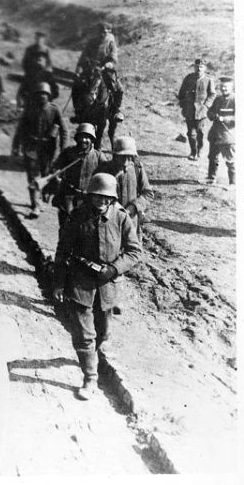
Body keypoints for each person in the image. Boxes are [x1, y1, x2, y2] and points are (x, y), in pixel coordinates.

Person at [52, 173, 142, 401]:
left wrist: (114, 269)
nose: (101, 202)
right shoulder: (78, 216)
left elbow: (134, 251)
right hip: (80, 282)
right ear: (90, 195)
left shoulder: (121, 218)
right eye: (96, 197)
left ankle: (91, 357)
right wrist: (59, 283)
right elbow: (63, 250)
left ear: (112, 199)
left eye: (106, 198)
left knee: (103, 332)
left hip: (107, 284)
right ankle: (89, 378)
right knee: (84, 334)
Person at [45, 123, 111, 239]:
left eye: (87, 137)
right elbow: (56, 167)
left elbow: (107, 176)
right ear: (77, 138)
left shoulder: (98, 156)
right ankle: (62, 255)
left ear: (92, 139)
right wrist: (57, 178)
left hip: (87, 199)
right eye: (81, 137)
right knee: (66, 227)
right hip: (68, 196)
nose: (84, 140)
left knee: (84, 230)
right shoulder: (68, 153)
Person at [12, 82, 67, 218]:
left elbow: (64, 130)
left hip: (48, 149)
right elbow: (20, 129)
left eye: (45, 94)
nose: (42, 97)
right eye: (39, 94)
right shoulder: (29, 109)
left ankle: (40, 199)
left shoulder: (54, 109)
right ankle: (35, 204)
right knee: (32, 177)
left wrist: (63, 148)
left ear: (49, 96)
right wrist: (16, 146)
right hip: (31, 146)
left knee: (45, 175)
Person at [96, 136, 155, 244]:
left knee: (132, 251)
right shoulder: (104, 169)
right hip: (109, 221)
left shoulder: (138, 170)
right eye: (122, 157)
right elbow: (95, 195)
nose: (125, 162)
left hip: (131, 221)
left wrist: (134, 207)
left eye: (129, 157)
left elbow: (148, 193)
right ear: (115, 156)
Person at [177, 58, 217, 161]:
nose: (199, 68)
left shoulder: (208, 80)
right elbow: (181, 93)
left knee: (200, 133)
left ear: (205, 68)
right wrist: (183, 105)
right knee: (191, 133)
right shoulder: (188, 78)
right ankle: (193, 151)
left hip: (202, 111)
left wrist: (206, 105)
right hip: (189, 110)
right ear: (194, 67)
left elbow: (212, 94)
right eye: (197, 66)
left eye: (201, 67)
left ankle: (199, 151)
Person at [205, 77, 236, 186]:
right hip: (215, 135)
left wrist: (224, 119)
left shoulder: (235, 100)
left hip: (228, 136)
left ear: (232, 88)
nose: (223, 89)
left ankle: (233, 183)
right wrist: (213, 115)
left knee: (230, 161)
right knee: (212, 157)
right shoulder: (218, 99)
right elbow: (210, 112)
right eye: (222, 86)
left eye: (226, 87)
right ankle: (211, 178)